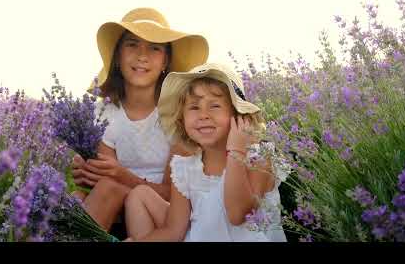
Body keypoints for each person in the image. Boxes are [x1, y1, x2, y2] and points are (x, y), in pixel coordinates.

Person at [71, 7, 209, 236]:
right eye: (132, 44)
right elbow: (103, 182)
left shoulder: (180, 115)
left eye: (154, 48)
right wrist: (87, 171)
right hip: (116, 208)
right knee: (75, 198)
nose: (142, 56)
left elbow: (177, 196)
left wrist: (123, 177)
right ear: (117, 56)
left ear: (165, 60)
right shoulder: (103, 113)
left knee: (113, 189)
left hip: (164, 213)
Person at [124, 63, 290, 241]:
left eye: (215, 106)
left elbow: (238, 214)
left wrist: (236, 151)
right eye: (194, 108)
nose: (203, 115)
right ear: (182, 119)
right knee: (139, 196)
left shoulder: (259, 159)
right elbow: (174, 231)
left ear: (239, 116)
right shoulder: (185, 169)